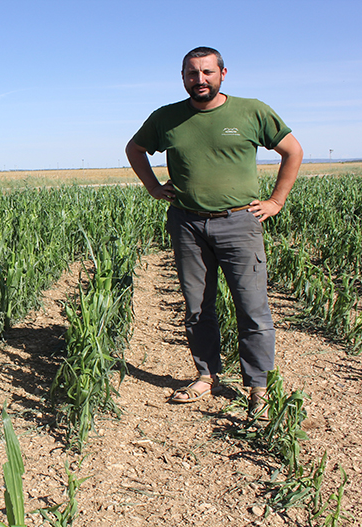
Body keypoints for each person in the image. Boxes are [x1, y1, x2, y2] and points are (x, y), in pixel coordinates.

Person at [125, 46, 303, 420]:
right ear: (183, 77)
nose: (200, 80)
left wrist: (276, 201)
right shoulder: (167, 118)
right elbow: (135, 149)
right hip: (187, 223)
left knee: (252, 309)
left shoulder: (251, 111)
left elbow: (293, 151)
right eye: (192, 73)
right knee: (197, 307)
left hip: (239, 222)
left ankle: (258, 387)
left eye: (207, 72)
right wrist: (154, 187)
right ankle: (207, 376)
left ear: (223, 73)